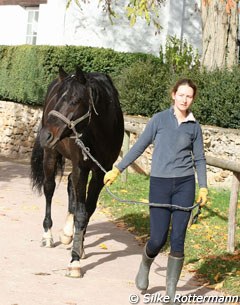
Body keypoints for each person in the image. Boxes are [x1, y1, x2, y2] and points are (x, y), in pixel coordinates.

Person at [103, 78, 208, 304]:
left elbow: (199, 158)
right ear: (173, 95)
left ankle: (171, 294)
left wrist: (204, 187)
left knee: (178, 238)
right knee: (158, 238)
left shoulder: (194, 126)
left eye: (189, 96)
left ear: (193, 99)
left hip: (185, 184)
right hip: (160, 184)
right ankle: (146, 263)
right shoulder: (159, 120)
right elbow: (139, 146)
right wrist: (117, 169)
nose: (184, 99)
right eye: (181, 94)